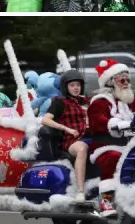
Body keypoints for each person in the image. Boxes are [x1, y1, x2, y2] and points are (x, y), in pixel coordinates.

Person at [87, 59, 135, 218]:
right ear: (110, 82)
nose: (126, 83)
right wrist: (117, 124)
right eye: (122, 80)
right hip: (106, 146)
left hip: (131, 145)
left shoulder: (131, 102)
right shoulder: (100, 102)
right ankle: (106, 201)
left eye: (127, 80)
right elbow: (98, 122)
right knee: (113, 158)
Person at [41, 69, 90, 202]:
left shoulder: (86, 101)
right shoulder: (59, 102)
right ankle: (80, 191)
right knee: (81, 148)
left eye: (78, 85)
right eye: (72, 85)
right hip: (71, 140)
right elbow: (45, 120)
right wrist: (66, 129)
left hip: (90, 137)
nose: (76, 88)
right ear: (65, 87)